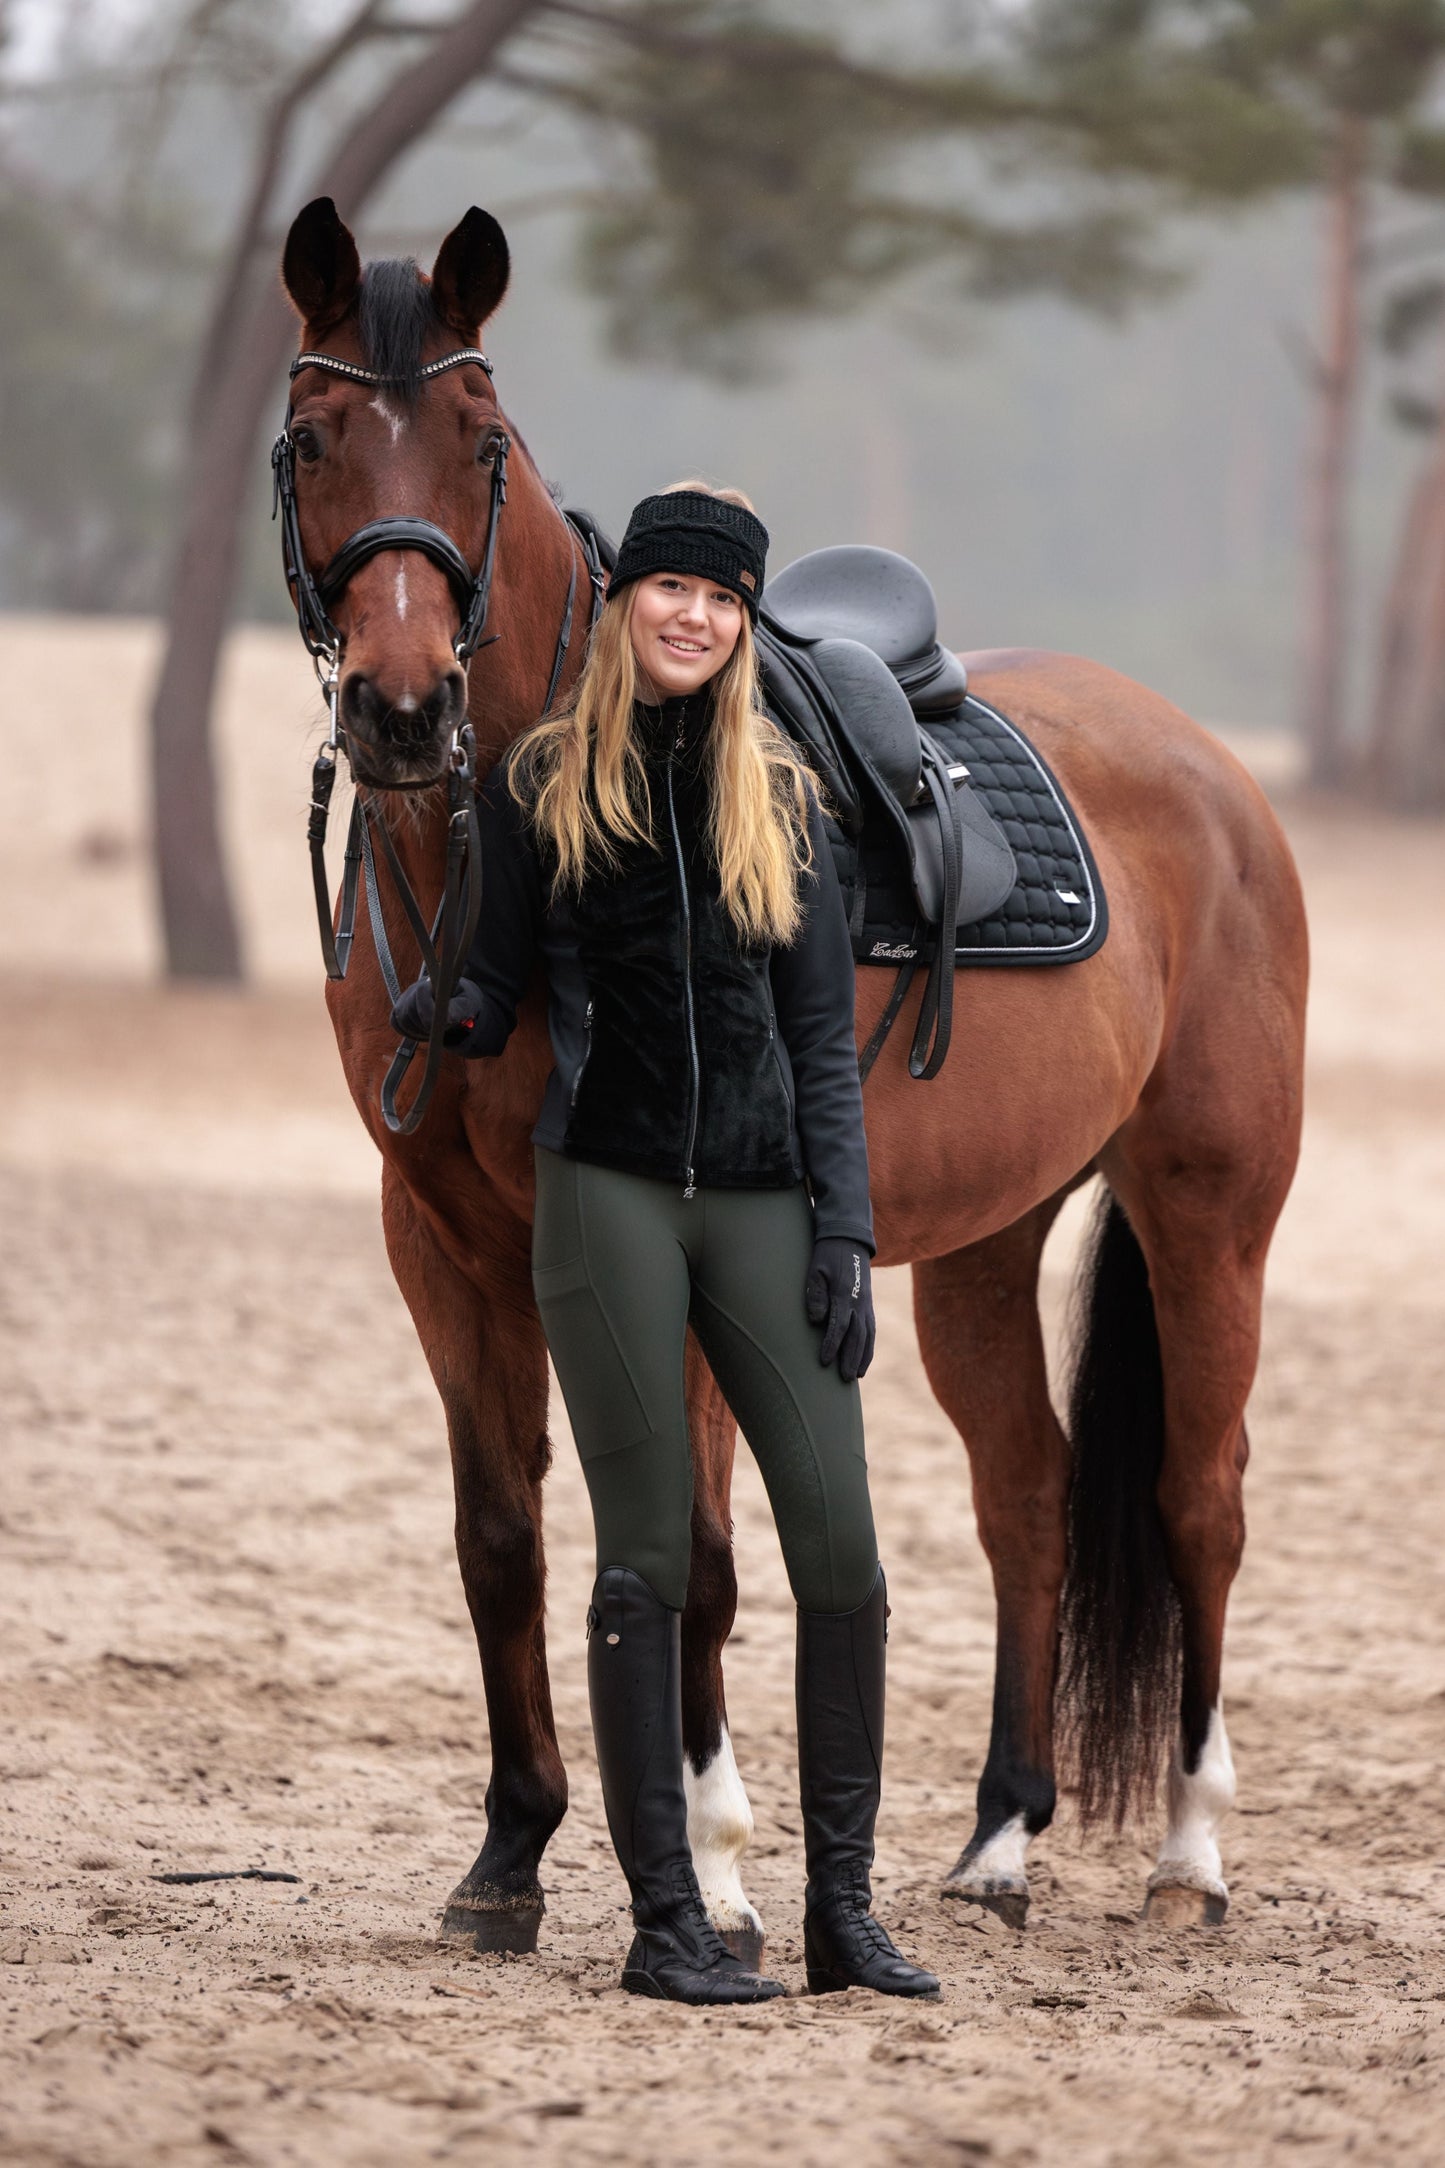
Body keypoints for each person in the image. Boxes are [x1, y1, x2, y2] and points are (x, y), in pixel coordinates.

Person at [394, 484, 938, 2007]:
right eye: (665, 589)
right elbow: (497, 983)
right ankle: (663, 1931)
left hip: (769, 1200)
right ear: (625, 602)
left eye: (720, 597)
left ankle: (843, 1914)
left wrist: (845, 1229)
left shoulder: (782, 794)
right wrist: (452, 1013)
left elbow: (823, 1048)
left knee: (841, 1553)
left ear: (744, 619)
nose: (690, 615)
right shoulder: (540, 781)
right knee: (643, 1559)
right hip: (608, 1199)